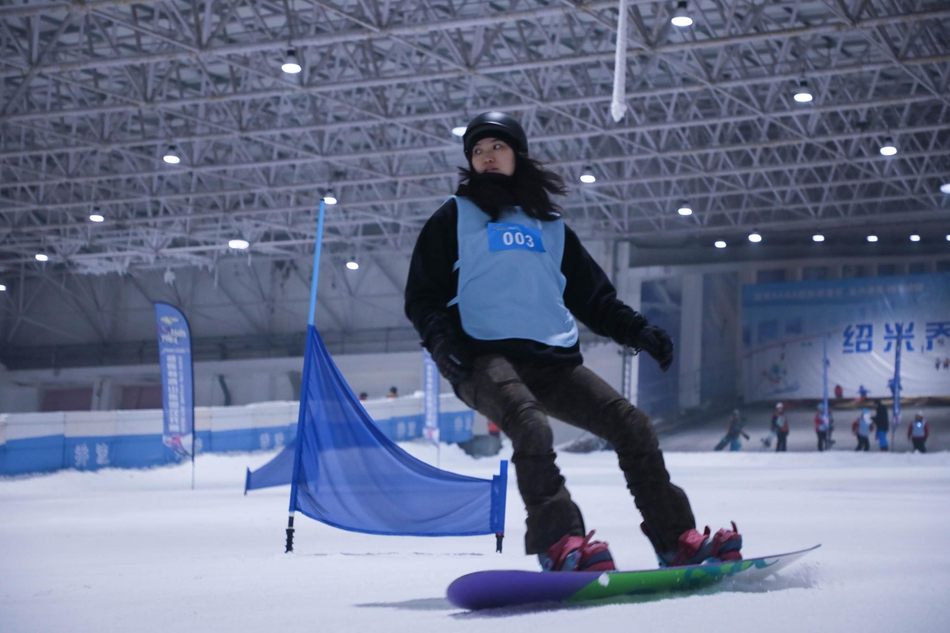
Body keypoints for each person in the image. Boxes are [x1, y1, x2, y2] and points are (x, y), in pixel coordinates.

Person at [404, 111, 741, 572]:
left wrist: (637, 330)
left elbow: (593, 298)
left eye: (497, 147)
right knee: (531, 425)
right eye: (478, 151)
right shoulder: (453, 217)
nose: (487, 157)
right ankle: (560, 542)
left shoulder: (550, 227)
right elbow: (423, 296)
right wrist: (443, 344)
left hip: (552, 361)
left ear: (518, 155)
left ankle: (675, 540)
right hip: (481, 357)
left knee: (633, 425)